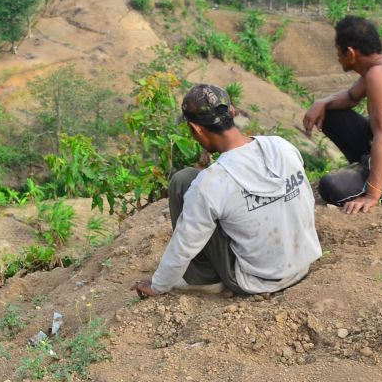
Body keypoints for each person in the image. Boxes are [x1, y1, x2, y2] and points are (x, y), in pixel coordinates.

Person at [132, 84, 322, 299]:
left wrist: (157, 285)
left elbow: (185, 244)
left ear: (196, 129)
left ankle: (204, 278)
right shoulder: (281, 146)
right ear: (232, 112)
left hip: (257, 281)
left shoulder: (211, 182)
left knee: (183, 181)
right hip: (303, 264)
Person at [303, 15, 382, 214]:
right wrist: (322, 102)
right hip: (378, 147)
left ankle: (368, 177)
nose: (337, 57)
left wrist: (372, 195)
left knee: (331, 187)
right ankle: (364, 167)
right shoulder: (378, 67)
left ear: (351, 53)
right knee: (330, 113)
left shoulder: (379, 76)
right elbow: (351, 97)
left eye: (338, 51)